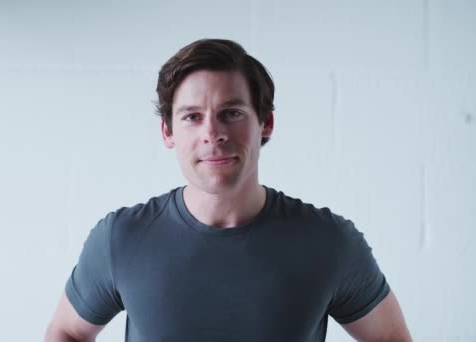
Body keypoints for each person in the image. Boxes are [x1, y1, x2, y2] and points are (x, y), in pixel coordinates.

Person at [45, 38, 412, 342]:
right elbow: (66, 332)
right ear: (168, 132)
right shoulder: (121, 239)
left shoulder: (329, 242)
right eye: (192, 117)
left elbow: (391, 337)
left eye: (231, 113)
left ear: (265, 123)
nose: (212, 133)